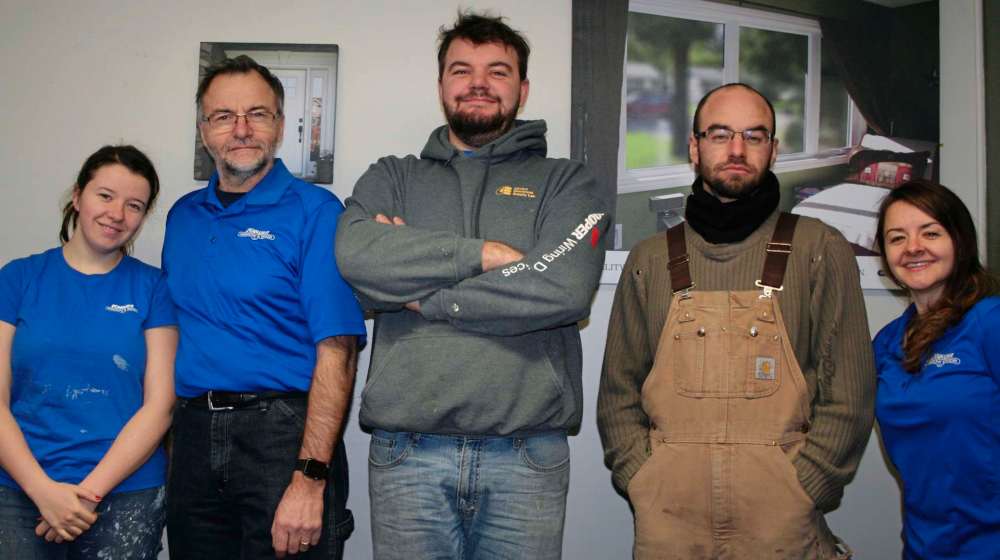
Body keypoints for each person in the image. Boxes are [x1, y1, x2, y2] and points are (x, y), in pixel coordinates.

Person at [335, 11, 609, 560]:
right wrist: (482, 256)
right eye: (461, 70)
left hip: (527, 454)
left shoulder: (567, 181)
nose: (478, 82)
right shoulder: (393, 176)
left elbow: (564, 289)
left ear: (522, 89)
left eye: (498, 71)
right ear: (441, 85)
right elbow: (354, 255)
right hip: (405, 453)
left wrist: (421, 295)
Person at [597, 83, 875, 559]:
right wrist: (641, 477)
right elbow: (618, 392)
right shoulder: (649, 260)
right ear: (694, 146)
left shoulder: (819, 249)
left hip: (782, 524)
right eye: (720, 134)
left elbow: (850, 391)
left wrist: (808, 484)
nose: (737, 149)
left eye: (755, 135)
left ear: (773, 149)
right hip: (669, 523)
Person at [161, 55, 366, 559]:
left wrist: (310, 478)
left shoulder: (315, 211)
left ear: (279, 123)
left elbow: (337, 349)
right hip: (191, 436)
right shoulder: (182, 217)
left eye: (258, 113)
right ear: (203, 130)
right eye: (224, 116)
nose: (242, 130)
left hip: (282, 437)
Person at [0, 145, 176, 559]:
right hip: (20, 490)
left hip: (126, 494)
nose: (117, 214)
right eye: (105, 195)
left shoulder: (154, 289)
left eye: (134, 205)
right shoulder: (17, 279)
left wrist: (87, 495)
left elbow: (161, 406)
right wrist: (42, 490)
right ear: (77, 197)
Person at [872, 179, 999, 559]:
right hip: (924, 545)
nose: (913, 248)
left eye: (930, 233)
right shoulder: (886, 343)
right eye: (897, 238)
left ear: (959, 240)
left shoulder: (989, 322)